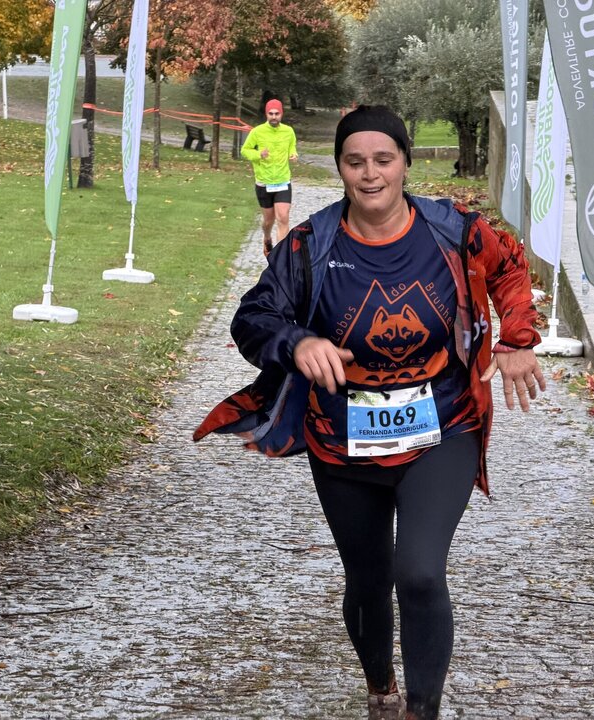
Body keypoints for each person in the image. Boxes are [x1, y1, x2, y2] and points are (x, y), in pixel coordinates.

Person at [195, 105, 546, 720]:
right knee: (367, 577)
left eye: (384, 159)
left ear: (406, 162)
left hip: (443, 427)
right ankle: (381, 688)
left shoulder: (453, 230)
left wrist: (517, 339)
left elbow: (511, 266)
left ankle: (421, 711)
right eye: (355, 161)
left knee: (419, 572)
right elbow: (253, 317)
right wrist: (298, 343)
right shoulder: (311, 245)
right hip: (342, 438)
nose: (370, 173)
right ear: (339, 168)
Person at [241, 98, 298, 256]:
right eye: (271, 114)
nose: (274, 117)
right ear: (266, 114)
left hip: (282, 180)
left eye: (277, 113)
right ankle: (267, 237)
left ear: (281, 114)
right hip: (264, 182)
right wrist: (259, 154)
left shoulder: (288, 131)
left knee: (283, 217)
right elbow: (245, 150)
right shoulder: (257, 132)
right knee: (268, 221)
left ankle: (280, 256)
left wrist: (293, 154)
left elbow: (292, 147)